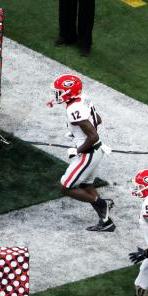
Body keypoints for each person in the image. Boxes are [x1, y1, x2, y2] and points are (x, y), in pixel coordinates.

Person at [50, 74, 114, 231]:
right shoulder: (83, 98)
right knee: (86, 185)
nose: (56, 94)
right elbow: (97, 120)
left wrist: (76, 149)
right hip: (95, 150)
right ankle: (106, 223)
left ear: (68, 92)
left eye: (59, 91)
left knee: (66, 187)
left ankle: (102, 204)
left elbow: (93, 136)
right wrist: (76, 132)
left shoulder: (73, 108)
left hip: (88, 153)